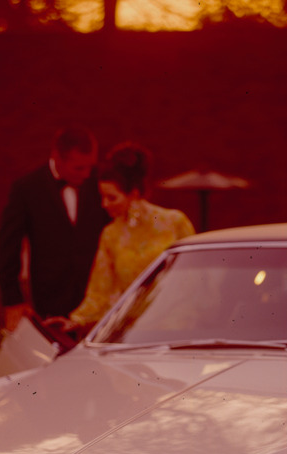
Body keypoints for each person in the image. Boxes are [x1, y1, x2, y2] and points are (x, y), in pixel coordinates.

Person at [59, 144, 194, 335]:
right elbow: (99, 291)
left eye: (111, 198)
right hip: (135, 329)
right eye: (102, 197)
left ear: (134, 194)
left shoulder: (174, 222)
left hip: (178, 325)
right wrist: (76, 320)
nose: (104, 204)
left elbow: (198, 279)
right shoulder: (110, 234)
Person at [0, 126, 110, 334]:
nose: (86, 174)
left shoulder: (102, 183)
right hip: (50, 299)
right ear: (57, 157)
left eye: (90, 167)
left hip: (97, 297)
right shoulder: (27, 188)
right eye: (78, 168)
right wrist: (13, 300)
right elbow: (8, 248)